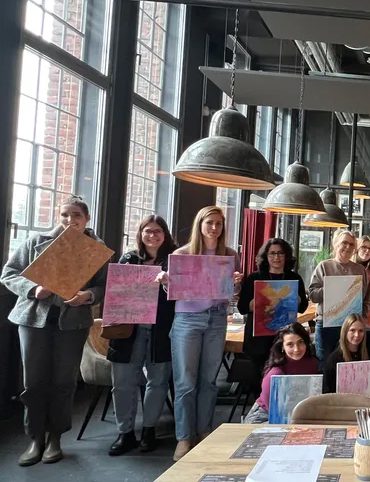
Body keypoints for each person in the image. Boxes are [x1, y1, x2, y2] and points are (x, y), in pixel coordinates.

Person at [1, 196, 108, 466]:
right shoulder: (36, 241)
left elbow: (104, 286)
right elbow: (9, 274)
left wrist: (88, 296)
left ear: (86, 219)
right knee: (34, 383)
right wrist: (32, 289)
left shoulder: (96, 248)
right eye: (64, 215)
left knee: (63, 383)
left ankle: (56, 438)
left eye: (76, 216)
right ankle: (35, 437)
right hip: (33, 320)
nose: (70, 221)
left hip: (72, 323)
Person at [160, 206, 242, 461]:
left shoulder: (229, 255)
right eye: (210, 223)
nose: (214, 228)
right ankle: (184, 437)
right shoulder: (182, 254)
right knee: (185, 381)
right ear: (200, 225)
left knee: (209, 381)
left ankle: (205, 431)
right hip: (187, 319)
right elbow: (172, 294)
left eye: (219, 224)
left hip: (217, 318)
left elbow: (231, 294)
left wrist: (237, 283)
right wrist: (165, 282)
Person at [107, 215, 177, 456]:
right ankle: (125, 433)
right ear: (141, 233)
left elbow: (185, 295)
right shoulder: (128, 258)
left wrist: (168, 283)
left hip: (162, 330)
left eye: (158, 231)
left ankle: (149, 430)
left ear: (165, 234)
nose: (153, 235)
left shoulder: (174, 260)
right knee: (123, 383)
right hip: (128, 329)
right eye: (148, 231)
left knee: (157, 382)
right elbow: (113, 294)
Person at [237, 238, 307, 379]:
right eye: (272, 253)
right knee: (260, 382)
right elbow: (242, 308)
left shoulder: (294, 278)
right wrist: (257, 302)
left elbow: (303, 307)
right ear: (266, 256)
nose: (276, 257)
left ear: (286, 256)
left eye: (280, 253)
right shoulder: (254, 278)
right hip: (258, 341)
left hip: (285, 340)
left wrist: (296, 300)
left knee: (284, 379)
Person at [308, 230, 370, 363]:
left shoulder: (360, 270)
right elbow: (313, 295)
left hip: (351, 328)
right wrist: (332, 289)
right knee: (324, 365)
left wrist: (363, 317)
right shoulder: (324, 266)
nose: (348, 247)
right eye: (344, 243)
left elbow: (366, 298)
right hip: (326, 326)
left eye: (352, 245)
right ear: (336, 244)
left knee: (348, 365)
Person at [242, 323, 319, 424]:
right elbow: (275, 412)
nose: (296, 349)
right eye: (290, 344)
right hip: (265, 416)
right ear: (282, 347)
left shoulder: (313, 363)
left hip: (297, 413)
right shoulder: (276, 372)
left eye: (301, 342)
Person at [323, 313, 369, 394]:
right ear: (345, 331)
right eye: (352, 330)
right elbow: (327, 390)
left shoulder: (366, 354)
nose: (357, 335)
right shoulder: (334, 359)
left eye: (361, 331)